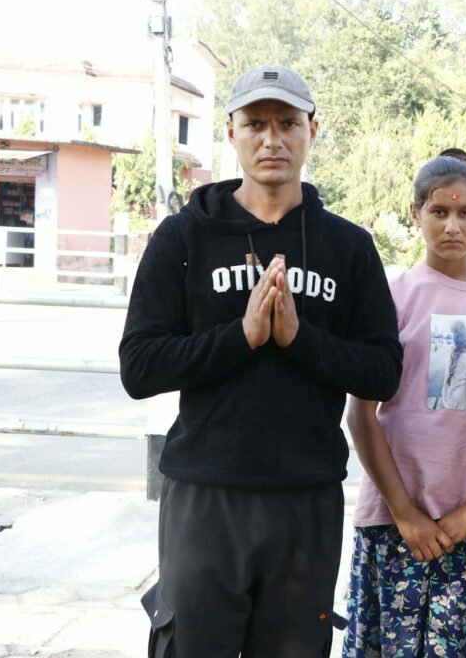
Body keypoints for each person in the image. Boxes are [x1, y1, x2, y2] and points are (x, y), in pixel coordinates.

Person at [119, 64, 403, 657]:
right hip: (206, 492)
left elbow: (382, 371)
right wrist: (241, 336)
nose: (272, 139)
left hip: (306, 496)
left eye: (287, 123)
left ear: (312, 131)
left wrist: (298, 338)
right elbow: (140, 367)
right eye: (255, 124)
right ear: (231, 132)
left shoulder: (348, 246)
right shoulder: (183, 238)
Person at [342, 152, 466, 657]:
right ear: (415, 213)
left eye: (465, 212)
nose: (452, 226)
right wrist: (404, 513)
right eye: (438, 212)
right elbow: (361, 414)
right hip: (392, 519)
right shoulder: (389, 298)